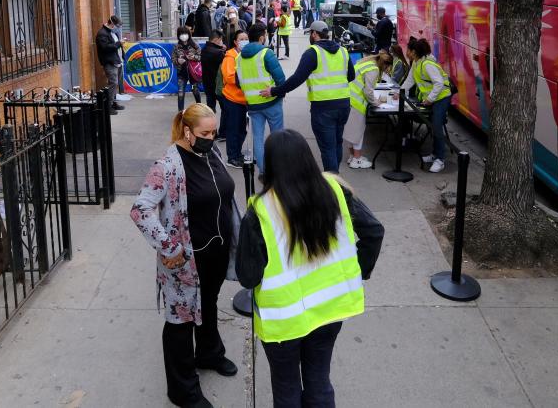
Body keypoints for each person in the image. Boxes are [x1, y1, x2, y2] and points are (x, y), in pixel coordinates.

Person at [236, 129, 383, 408]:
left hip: (284, 320)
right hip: (330, 309)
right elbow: (374, 231)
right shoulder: (337, 190)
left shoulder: (260, 211)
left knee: (286, 387)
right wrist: (358, 270)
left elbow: (248, 275)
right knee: (318, 380)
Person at [131, 104, 240, 408]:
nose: (211, 137)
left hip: (216, 252)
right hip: (184, 260)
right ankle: (182, 389)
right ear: (187, 131)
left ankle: (209, 354)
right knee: (180, 322)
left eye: (214, 132)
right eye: (205, 133)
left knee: (208, 304)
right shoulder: (167, 165)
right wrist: (169, 247)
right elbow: (140, 210)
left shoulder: (210, 153)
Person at [264, 21, 355, 173]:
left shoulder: (313, 52)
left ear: (314, 34)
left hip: (323, 108)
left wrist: (275, 91)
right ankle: (336, 179)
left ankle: (333, 184)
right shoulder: (343, 51)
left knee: (328, 147)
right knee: (337, 143)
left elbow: (297, 79)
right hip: (343, 105)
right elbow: (350, 76)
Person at [236, 23, 286, 172]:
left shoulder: (239, 57)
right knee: (277, 136)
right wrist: (279, 92)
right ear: (262, 37)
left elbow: (238, 83)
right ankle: (277, 170)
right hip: (271, 101)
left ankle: (263, 171)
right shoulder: (266, 53)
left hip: (253, 104)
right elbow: (280, 78)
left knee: (257, 138)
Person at [402, 38, 452, 173]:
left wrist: (430, 99)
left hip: (441, 98)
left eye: (408, 50)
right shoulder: (416, 62)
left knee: (436, 126)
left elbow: (439, 83)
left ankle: (440, 159)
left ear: (414, 52)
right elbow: (410, 80)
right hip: (432, 99)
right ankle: (435, 154)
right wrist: (400, 92)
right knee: (432, 125)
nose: (406, 52)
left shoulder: (427, 64)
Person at [344, 51, 393, 169]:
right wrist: (376, 102)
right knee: (358, 132)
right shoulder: (374, 69)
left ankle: (352, 156)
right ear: (385, 64)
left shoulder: (366, 62)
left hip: (347, 98)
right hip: (356, 102)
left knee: (351, 131)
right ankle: (357, 160)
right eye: (388, 68)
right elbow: (368, 91)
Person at [218, 28, 249, 167]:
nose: (244, 41)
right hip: (232, 99)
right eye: (241, 39)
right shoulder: (230, 57)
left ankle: (237, 153)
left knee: (241, 129)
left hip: (243, 100)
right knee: (234, 129)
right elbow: (230, 77)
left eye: (246, 39)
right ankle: (232, 157)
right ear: (235, 42)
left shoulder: (245, 55)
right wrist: (248, 81)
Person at [97, 15, 127, 112]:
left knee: (116, 83)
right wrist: (119, 43)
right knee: (113, 83)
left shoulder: (112, 33)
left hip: (117, 61)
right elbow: (105, 48)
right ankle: (108, 106)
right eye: (116, 25)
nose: (117, 28)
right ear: (111, 24)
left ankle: (113, 103)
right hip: (110, 62)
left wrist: (122, 54)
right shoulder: (102, 33)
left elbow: (116, 46)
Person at [200, 31, 227, 138]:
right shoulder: (218, 53)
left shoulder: (204, 49)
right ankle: (223, 132)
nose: (222, 42)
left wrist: (221, 49)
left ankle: (212, 132)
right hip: (218, 86)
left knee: (210, 109)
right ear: (216, 40)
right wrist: (222, 50)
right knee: (225, 109)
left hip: (207, 84)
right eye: (221, 40)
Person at [174, 26, 203, 111]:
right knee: (180, 93)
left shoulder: (195, 45)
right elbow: (173, 59)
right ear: (178, 35)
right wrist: (178, 61)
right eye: (181, 34)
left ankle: (200, 109)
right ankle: (180, 112)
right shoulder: (176, 47)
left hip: (193, 74)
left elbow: (201, 57)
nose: (183, 36)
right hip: (181, 74)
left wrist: (194, 57)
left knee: (195, 91)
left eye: (185, 33)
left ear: (189, 34)